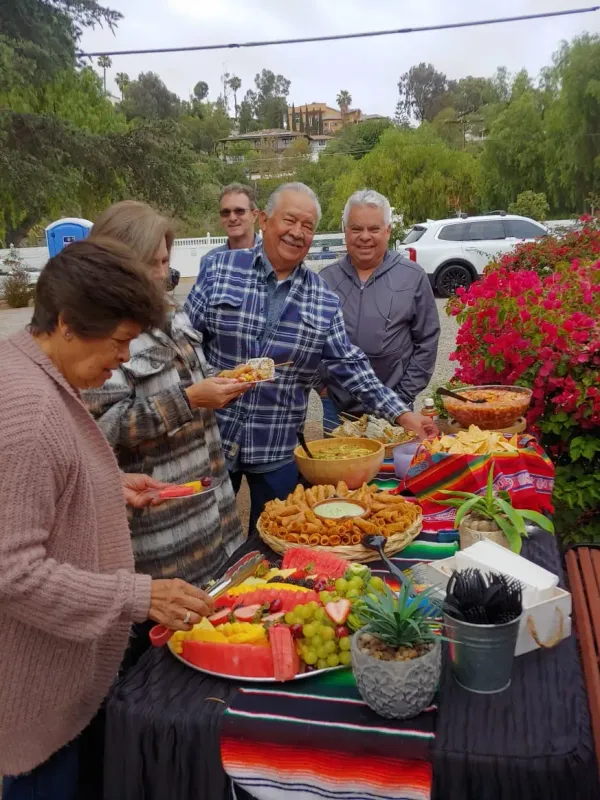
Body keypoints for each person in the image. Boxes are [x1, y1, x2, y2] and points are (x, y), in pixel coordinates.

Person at [0, 239, 214, 799]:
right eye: (119, 342)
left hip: (65, 682)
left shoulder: (35, 371)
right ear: (67, 324)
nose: (124, 358)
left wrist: (106, 485)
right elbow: (12, 572)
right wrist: (137, 596)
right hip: (40, 702)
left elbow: (37, 487)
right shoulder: (30, 410)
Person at [185, 182, 438, 533]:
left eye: (307, 226)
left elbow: (352, 367)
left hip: (275, 446)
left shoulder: (322, 298)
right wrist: (205, 380)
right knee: (203, 533)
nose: (297, 232)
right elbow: (183, 342)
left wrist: (404, 415)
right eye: (290, 220)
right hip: (212, 436)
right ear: (264, 220)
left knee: (277, 537)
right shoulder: (220, 269)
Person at [84, 201, 247, 593]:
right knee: (179, 623)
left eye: (164, 261)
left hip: (216, 516)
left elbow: (192, 380)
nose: (162, 274)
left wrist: (221, 383)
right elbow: (103, 428)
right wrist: (189, 399)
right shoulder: (99, 332)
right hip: (164, 533)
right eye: (151, 263)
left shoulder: (172, 314)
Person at [319, 189, 440, 427]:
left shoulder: (412, 276)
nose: (365, 237)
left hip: (397, 407)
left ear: (387, 231)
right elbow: (309, 340)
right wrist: (321, 385)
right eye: (356, 229)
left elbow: (427, 340)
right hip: (338, 409)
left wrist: (404, 395)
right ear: (345, 231)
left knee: (398, 454)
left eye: (373, 229)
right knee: (337, 454)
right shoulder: (325, 280)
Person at [201, 183, 260, 265]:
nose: (232, 218)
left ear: (254, 215)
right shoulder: (211, 261)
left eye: (239, 211)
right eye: (226, 212)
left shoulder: (272, 256)